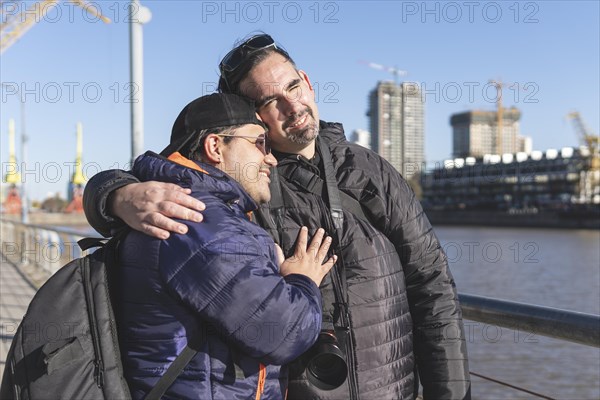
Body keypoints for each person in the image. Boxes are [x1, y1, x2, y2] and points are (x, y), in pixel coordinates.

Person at [84, 35, 471, 399]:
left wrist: (449, 393)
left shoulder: (372, 172)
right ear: (248, 119)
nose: (292, 107)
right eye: (270, 101)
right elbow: (172, 177)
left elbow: (432, 286)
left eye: (292, 87)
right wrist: (117, 194)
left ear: (307, 82)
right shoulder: (243, 185)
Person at [115, 93, 337, 399]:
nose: (270, 158)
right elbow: (281, 332)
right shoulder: (197, 217)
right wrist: (303, 279)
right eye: (260, 143)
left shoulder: (198, 208)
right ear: (215, 147)